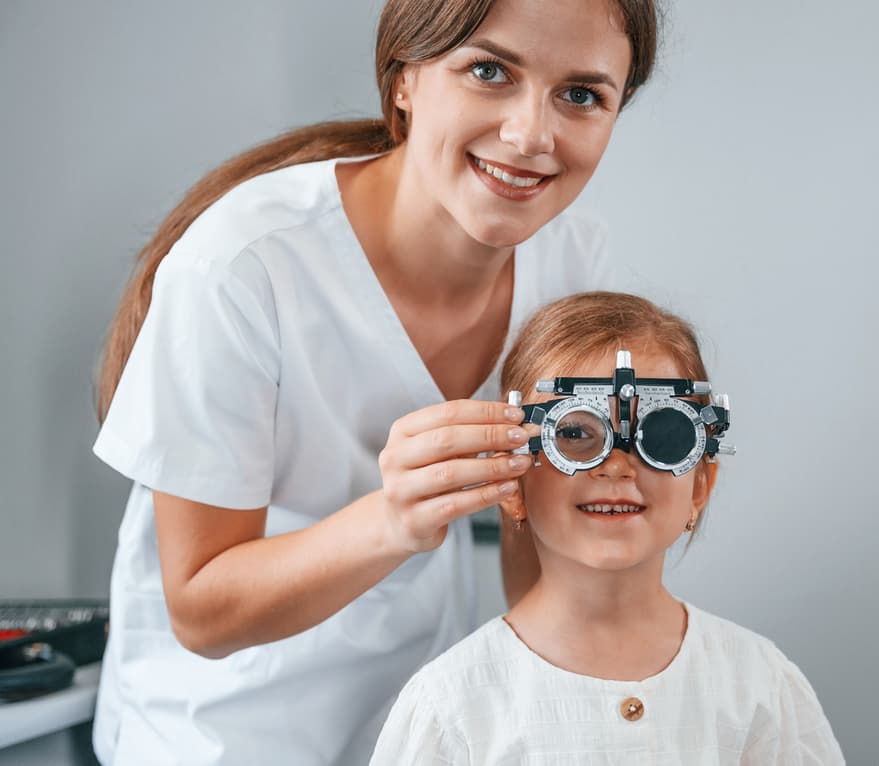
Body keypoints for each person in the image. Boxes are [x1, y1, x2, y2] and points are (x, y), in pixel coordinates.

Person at [90, 1, 659, 763]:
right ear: (405, 81)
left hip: (414, 707)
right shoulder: (241, 266)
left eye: (582, 95)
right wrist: (393, 520)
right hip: (219, 725)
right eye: (488, 71)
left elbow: (538, 536)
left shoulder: (572, 260)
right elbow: (202, 610)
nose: (531, 135)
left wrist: (559, 715)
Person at [369, 291, 845, 764]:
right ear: (511, 480)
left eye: (662, 434)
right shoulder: (453, 705)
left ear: (699, 484)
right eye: (574, 433)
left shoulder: (758, 686)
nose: (618, 467)